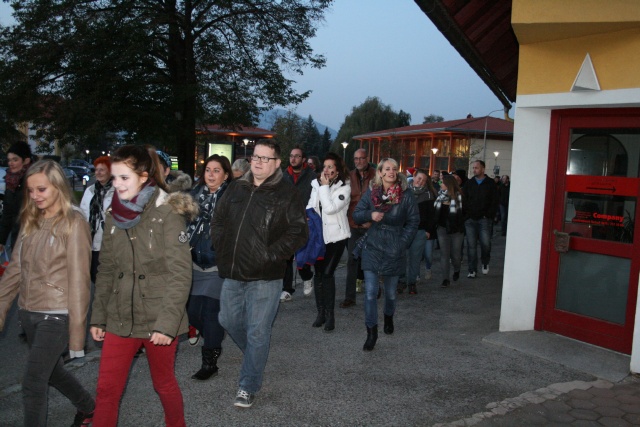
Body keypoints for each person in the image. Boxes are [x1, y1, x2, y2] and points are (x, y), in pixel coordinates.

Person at [89, 145, 197, 427]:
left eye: (124, 177)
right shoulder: (112, 214)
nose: (117, 184)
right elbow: (107, 269)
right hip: (120, 316)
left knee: (163, 383)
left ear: (144, 176)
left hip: (158, 317)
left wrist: (167, 324)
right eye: (115, 177)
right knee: (106, 390)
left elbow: (180, 273)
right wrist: (99, 316)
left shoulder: (167, 212)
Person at [212, 140, 308, 408]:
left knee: (258, 332)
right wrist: (221, 247)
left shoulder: (286, 193)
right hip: (233, 271)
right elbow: (218, 220)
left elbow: (299, 232)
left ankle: (248, 384)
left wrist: (270, 255)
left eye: (265, 158)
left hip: (266, 276)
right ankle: (255, 355)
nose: (258, 162)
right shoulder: (236, 187)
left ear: (277, 163)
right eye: (255, 156)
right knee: (228, 320)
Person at [0, 159, 95, 427]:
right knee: (51, 371)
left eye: (41, 189)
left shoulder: (74, 222)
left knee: (33, 382)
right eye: (30, 190)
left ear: (58, 187)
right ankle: (89, 408)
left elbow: (80, 281)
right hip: (28, 312)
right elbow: (15, 270)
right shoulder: (31, 219)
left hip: (57, 314)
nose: (35, 196)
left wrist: (76, 337)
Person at [353, 158, 419, 352]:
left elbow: (413, 222)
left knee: (390, 294)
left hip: (394, 247)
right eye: (387, 169)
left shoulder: (406, 195)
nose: (391, 172)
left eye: (394, 169)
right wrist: (370, 215)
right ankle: (371, 333)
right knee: (370, 293)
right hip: (372, 246)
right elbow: (357, 214)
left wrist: (402, 243)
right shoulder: (372, 192)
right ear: (380, 172)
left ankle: (388, 316)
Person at [186, 154, 232, 380]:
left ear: (226, 175)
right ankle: (215, 335)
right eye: (208, 170)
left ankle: (209, 362)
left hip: (218, 265)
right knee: (193, 313)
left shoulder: (231, 199)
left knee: (211, 313)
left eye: (216, 170)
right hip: (194, 262)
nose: (211, 174)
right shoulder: (193, 197)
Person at [306, 153, 350, 332]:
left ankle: (330, 315)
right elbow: (311, 206)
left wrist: (324, 187)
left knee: (327, 274)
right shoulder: (315, 185)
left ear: (338, 170)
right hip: (318, 237)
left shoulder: (344, 188)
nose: (326, 170)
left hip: (336, 237)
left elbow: (330, 209)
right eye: (324, 166)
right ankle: (321, 313)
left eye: (330, 167)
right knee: (318, 274)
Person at [340, 148, 375, 308]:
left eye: (361, 158)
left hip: (371, 225)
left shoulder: (376, 175)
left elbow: (381, 201)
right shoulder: (349, 177)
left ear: (367, 158)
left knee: (372, 259)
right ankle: (350, 297)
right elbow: (346, 201)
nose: (358, 161)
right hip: (353, 225)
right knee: (352, 261)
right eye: (356, 158)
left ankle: (374, 290)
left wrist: (371, 220)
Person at [281, 146, 315, 302]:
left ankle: (307, 276)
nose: (293, 158)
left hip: (304, 220)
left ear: (303, 159)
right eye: (291, 155)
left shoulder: (311, 177)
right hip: (287, 221)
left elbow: (316, 199)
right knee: (286, 257)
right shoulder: (283, 176)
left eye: (297, 156)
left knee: (302, 256)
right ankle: (287, 289)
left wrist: (310, 215)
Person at [80, 156, 114, 283]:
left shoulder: (117, 191)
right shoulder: (90, 191)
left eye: (102, 170)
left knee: (107, 278)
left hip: (109, 243)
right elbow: (83, 214)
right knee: (94, 275)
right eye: (96, 170)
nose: (98, 173)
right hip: (92, 241)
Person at [462, 160, 499, 278]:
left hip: (484, 219)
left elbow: (494, 200)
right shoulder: (469, 183)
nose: (474, 170)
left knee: (485, 243)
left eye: (476, 168)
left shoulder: (490, 183)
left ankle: (485, 262)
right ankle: (472, 270)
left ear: (483, 169)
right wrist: (467, 215)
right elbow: (464, 199)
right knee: (471, 245)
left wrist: (488, 215)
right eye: (473, 168)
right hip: (470, 219)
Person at [404, 169, 437, 294]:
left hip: (420, 230)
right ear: (414, 177)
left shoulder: (429, 195)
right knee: (401, 257)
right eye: (419, 178)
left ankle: (412, 283)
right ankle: (401, 281)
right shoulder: (404, 191)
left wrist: (428, 230)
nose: (420, 182)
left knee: (415, 258)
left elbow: (431, 215)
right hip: (404, 229)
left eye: (423, 180)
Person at [0, 141, 33, 255]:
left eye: (15, 160)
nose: (11, 163)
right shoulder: (10, 182)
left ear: (26, 160)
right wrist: (1, 240)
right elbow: (7, 214)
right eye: (9, 160)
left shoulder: (34, 180)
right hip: (16, 238)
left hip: (33, 238)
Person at [434, 174, 465, 288]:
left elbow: (465, 214)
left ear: (448, 184)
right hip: (442, 229)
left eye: (442, 182)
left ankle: (457, 269)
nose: (440, 184)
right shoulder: (439, 197)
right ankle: (445, 279)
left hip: (456, 230)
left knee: (455, 255)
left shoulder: (459, 197)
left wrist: (460, 225)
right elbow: (435, 214)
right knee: (444, 254)